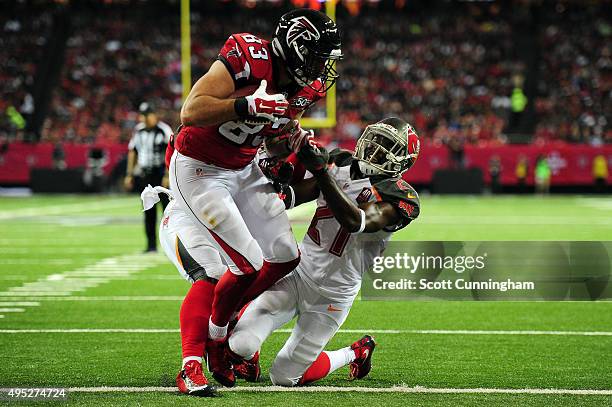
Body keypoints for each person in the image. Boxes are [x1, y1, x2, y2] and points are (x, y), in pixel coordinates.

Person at [169, 8, 342, 386]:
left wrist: (291, 143)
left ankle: (222, 326)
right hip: (200, 167)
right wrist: (245, 104)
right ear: (294, 49)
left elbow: (273, 141)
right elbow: (191, 110)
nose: (320, 71)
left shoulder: (304, 89)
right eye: (316, 59)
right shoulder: (248, 56)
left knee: (284, 255)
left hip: (244, 168)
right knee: (245, 262)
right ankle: (215, 345)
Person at [228, 117, 421, 387]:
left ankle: (355, 352)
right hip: (298, 275)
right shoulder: (340, 162)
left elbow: (356, 222)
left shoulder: (401, 197)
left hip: (334, 296)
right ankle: (248, 343)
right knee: (241, 344)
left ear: (402, 160)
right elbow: (293, 197)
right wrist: (278, 178)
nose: (375, 147)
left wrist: (321, 172)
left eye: (386, 145)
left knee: (283, 377)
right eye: (375, 139)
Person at [125, 102, 173, 252]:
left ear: (155, 115)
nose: (145, 118)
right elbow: (133, 152)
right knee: (148, 211)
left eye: (148, 115)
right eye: (143, 115)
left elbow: (171, 152)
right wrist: (129, 174)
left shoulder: (163, 130)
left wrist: (167, 174)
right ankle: (151, 246)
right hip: (146, 175)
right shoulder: (138, 131)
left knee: (168, 212)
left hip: (160, 174)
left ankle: (172, 245)